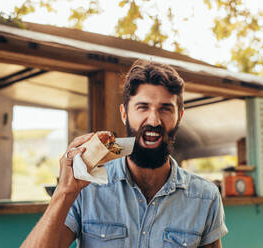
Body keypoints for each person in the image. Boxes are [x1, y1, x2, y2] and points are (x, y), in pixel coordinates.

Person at [21, 59, 228, 248]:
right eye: (142, 107)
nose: (154, 120)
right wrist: (65, 192)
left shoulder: (205, 196)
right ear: (124, 114)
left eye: (165, 109)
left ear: (179, 116)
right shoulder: (88, 188)